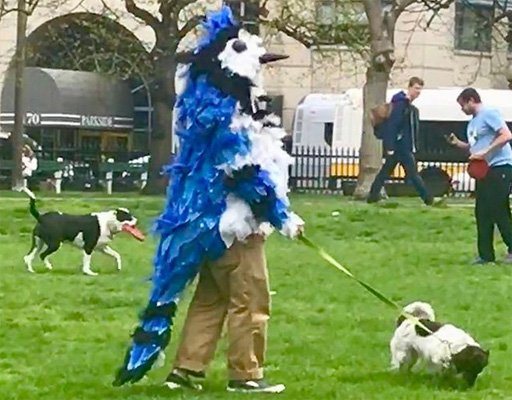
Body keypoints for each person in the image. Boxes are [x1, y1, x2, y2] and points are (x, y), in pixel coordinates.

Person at [114, 6, 304, 394]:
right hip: (233, 226)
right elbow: (241, 170)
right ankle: (246, 375)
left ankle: (186, 370)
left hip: (207, 228)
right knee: (250, 299)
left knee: (211, 297)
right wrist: (281, 215)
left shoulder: (212, 112)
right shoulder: (226, 117)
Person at [447, 87, 512, 264]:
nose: (462, 110)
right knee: (482, 211)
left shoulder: (489, 113)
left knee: (499, 208)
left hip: (500, 167)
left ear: (471, 100)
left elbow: (506, 135)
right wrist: (459, 144)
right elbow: (475, 147)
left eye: (462, 105)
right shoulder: (473, 123)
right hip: (484, 172)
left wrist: (485, 152)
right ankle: (485, 255)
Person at [367, 77, 434, 205]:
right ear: (409, 88)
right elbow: (393, 124)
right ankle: (428, 199)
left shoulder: (405, 104)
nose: (418, 92)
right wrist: (390, 146)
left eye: (420, 89)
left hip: (401, 146)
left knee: (385, 172)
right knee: (413, 174)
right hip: (401, 146)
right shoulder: (401, 104)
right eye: (416, 88)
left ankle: (372, 196)